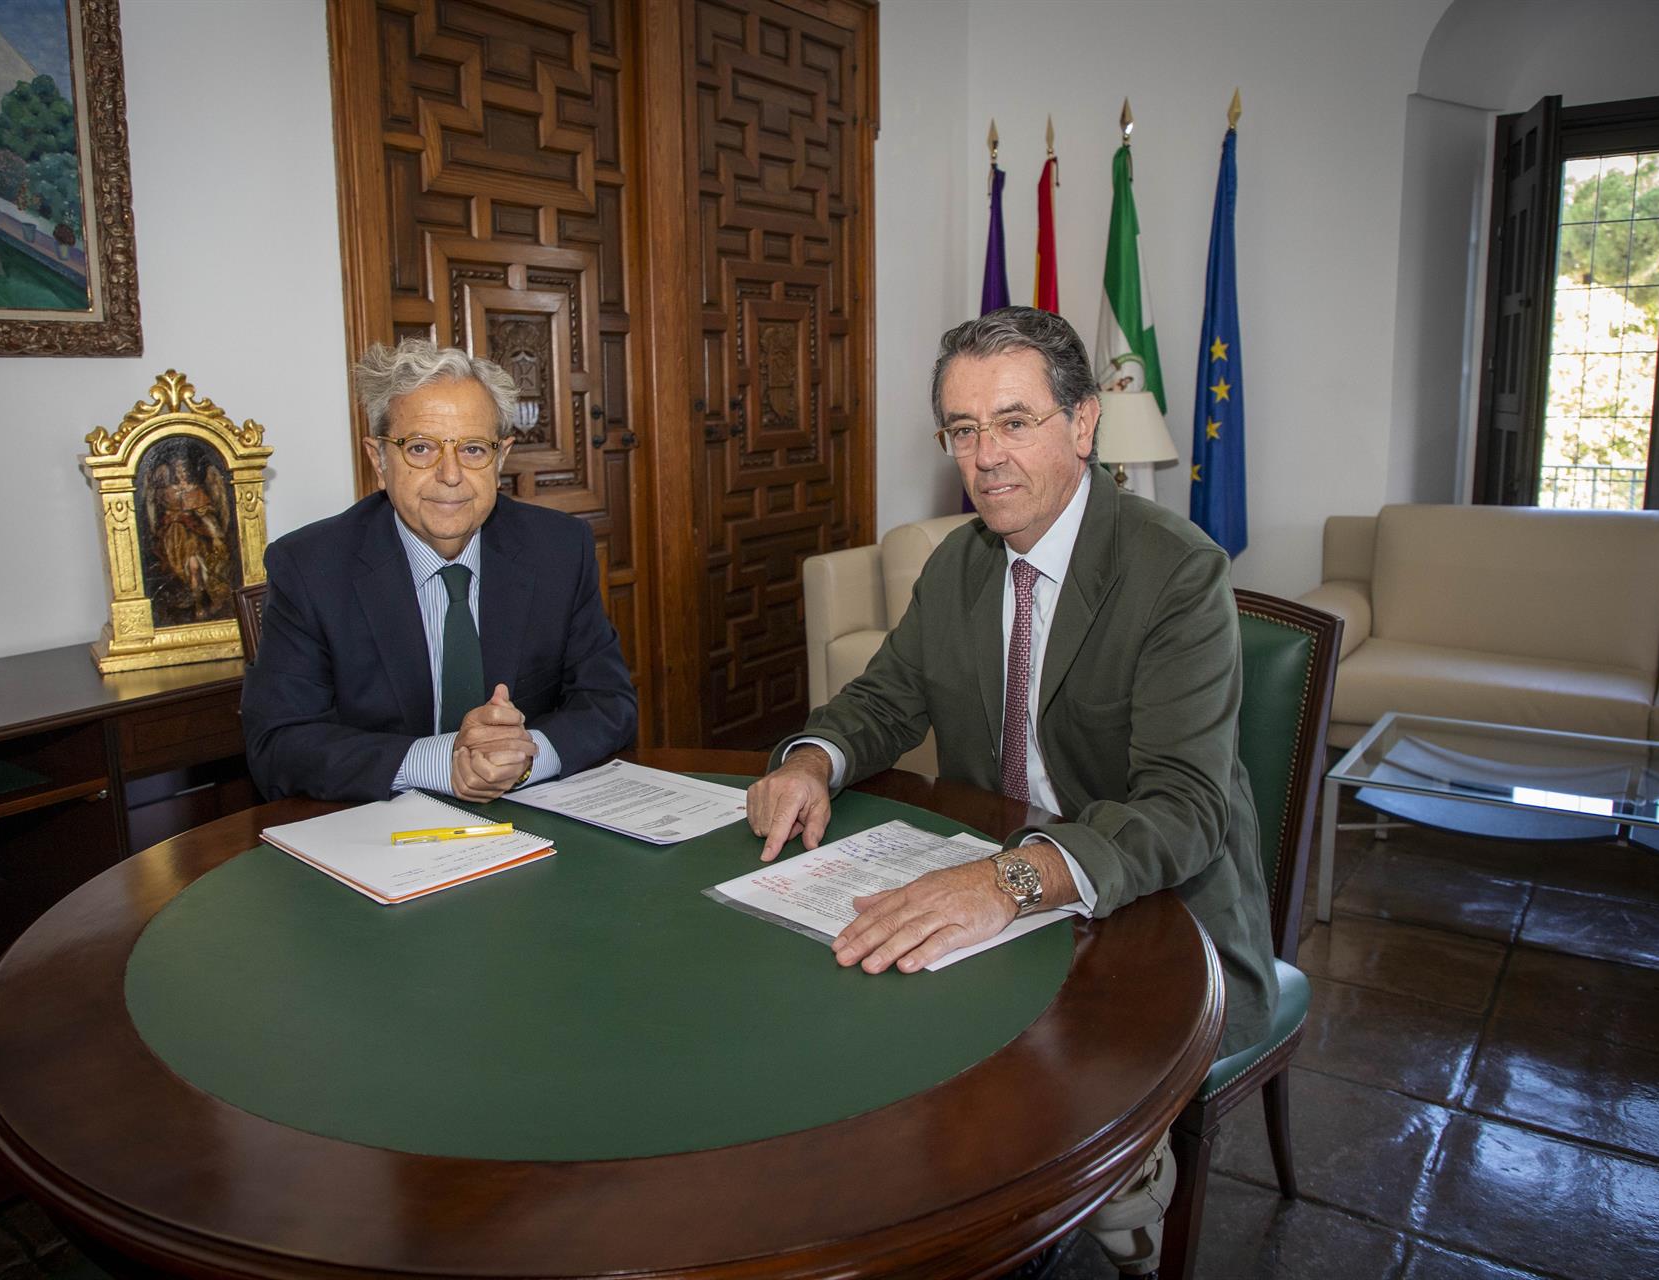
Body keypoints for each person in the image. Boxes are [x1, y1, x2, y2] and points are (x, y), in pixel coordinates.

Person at [746, 306, 1277, 1278]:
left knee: (1039, 1150)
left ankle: (1106, 1209)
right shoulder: (960, 561)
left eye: (1014, 421)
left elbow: (1184, 809)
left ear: (1083, 424)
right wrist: (812, 758)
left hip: (1156, 913)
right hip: (999, 892)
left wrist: (1009, 881)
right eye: (962, 428)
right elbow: (884, 699)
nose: (985, 456)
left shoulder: (1177, 572)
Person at [243, 339, 637, 804]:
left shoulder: (558, 548)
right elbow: (279, 743)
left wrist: (525, 755)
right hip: (380, 826)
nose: (450, 474)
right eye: (420, 448)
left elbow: (608, 702)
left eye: (473, 449)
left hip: (530, 817)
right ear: (378, 460)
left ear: (501, 458)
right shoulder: (311, 567)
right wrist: (442, 761)